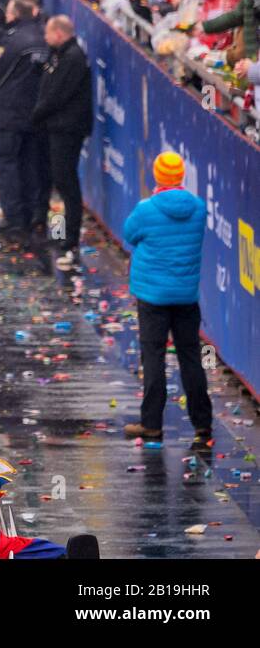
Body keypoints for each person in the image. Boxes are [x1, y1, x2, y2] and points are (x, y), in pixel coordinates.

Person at [121, 152, 212, 453]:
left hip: (152, 297)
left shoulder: (146, 209)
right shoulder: (198, 208)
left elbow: (129, 234)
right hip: (186, 296)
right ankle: (202, 424)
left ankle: (152, 425)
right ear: (181, 176)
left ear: (158, 176)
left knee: (154, 357)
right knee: (190, 359)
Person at [0, 0, 50, 241]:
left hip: (8, 114)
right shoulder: (45, 39)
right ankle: (33, 216)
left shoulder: (12, 40)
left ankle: (14, 220)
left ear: (14, 15)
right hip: (36, 116)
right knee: (30, 165)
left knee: (7, 164)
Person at [31, 15, 93, 270]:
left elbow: (56, 94)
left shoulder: (73, 58)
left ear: (59, 33)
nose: (45, 39)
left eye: (48, 34)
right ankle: (62, 236)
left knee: (67, 183)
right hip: (58, 128)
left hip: (67, 131)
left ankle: (70, 241)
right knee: (61, 182)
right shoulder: (60, 55)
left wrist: (36, 114)